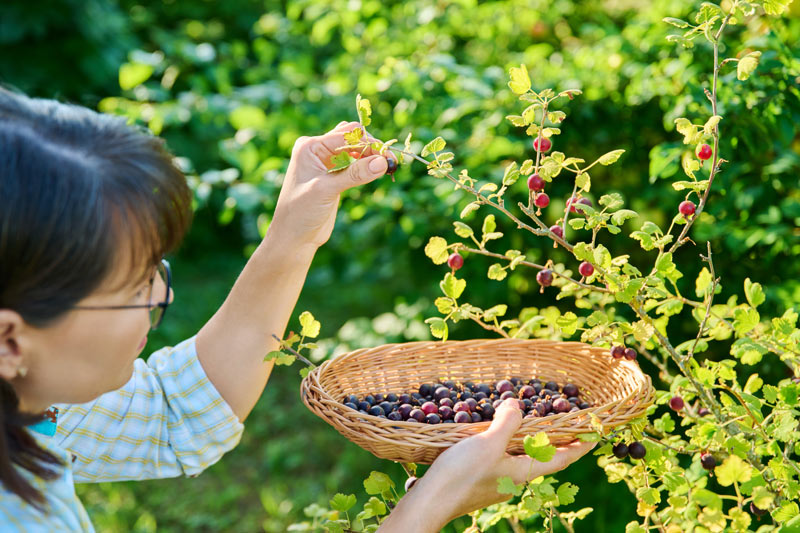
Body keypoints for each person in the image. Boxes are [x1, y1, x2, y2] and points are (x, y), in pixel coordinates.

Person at [0, 87, 595, 532]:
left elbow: (173, 415)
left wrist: (294, 232)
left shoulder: (28, 401)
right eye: (133, 289)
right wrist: (433, 501)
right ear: (10, 341)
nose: (163, 296)